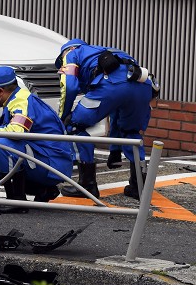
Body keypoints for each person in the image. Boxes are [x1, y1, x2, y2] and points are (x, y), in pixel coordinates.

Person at [56, 39, 157, 199]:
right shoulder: (109, 50)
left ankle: (87, 185)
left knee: (75, 127)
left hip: (110, 86)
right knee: (130, 131)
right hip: (143, 86)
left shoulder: (71, 53)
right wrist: (115, 151)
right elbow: (117, 111)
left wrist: (64, 117)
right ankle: (139, 188)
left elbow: (70, 86)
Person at [0, 66, 73, 213]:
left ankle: (17, 200)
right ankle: (43, 189)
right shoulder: (19, 98)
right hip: (51, 160)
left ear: (0, 91)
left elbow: (17, 131)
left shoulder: (20, 101)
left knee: (2, 145)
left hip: (52, 163)